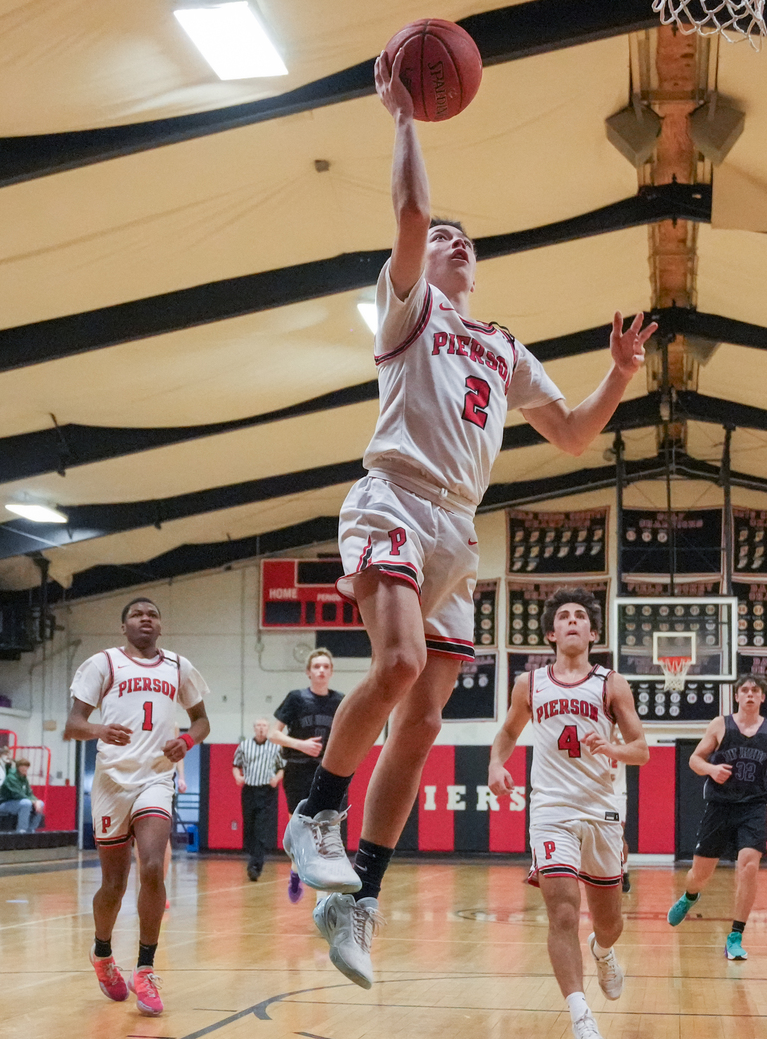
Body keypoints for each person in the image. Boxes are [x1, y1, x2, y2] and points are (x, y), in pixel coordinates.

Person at [281, 48, 657, 985]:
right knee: (398, 664)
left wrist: (617, 376)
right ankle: (316, 812)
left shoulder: (503, 346)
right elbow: (410, 212)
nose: (454, 242)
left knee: (426, 719)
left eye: (465, 242)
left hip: (459, 530)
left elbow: (570, 434)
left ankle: (357, 900)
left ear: (479, 269)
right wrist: (402, 113)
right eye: (445, 238)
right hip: (394, 494)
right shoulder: (409, 310)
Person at [488, 589, 648, 1039]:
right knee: (562, 913)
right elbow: (507, 733)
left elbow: (641, 751)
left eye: (581, 616)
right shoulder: (530, 684)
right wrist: (496, 764)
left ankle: (602, 950)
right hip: (551, 809)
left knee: (609, 924)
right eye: (564, 616)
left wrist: (613, 747)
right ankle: (581, 1016)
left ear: (593, 632)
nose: (573, 621)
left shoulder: (611, 684)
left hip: (601, 810)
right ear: (551, 632)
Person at [65, 597, 209, 1018]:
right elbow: (74, 724)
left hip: (156, 778)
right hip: (112, 781)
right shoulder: (104, 664)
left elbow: (202, 721)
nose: (145, 618)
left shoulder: (179, 667)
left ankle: (145, 968)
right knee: (114, 884)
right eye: (136, 614)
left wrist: (186, 741)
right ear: (124, 626)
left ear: (160, 626)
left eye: (153, 614)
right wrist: (99, 729)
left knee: (151, 867)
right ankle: (103, 952)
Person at [667, 674, 767, 961]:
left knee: (749, 867)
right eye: (745, 690)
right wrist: (711, 770)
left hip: (753, 807)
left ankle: (735, 936)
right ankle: (690, 896)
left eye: (755, 690)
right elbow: (695, 759)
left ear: (763, 697)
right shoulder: (720, 724)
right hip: (720, 806)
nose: (750, 694)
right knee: (700, 875)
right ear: (737, 696)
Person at [271, 647, 344, 902]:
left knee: (326, 831)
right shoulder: (296, 698)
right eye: (317, 667)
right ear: (308, 672)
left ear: (331, 672)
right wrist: (300, 744)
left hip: (328, 772)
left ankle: (323, 898)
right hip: (298, 770)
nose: (321, 670)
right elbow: (273, 733)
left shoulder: (340, 701)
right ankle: (295, 870)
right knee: (301, 832)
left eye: (326, 666)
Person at [233, 718, 284, 881]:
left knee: (261, 828)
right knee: (249, 827)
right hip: (249, 790)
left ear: (268, 728)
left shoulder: (275, 747)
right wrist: (237, 776)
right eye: (259, 726)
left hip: (267, 790)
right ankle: (253, 857)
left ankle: (256, 866)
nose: (261, 729)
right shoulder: (244, 746)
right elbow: (235, 764)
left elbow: (282, 767)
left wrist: (276, 778)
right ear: (254, 728)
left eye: (264, 726)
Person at [0, 757, 45, 832]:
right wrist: (33, 802)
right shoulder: (11, 778)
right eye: (23, 766)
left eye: (26, 767)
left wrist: (36, 801)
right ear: (18, 767)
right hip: (3, 804)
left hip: (17, 803)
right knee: (26, 803)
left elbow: (29, 793)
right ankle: (21, 830)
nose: (25, 769)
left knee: (41, 803)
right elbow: (17, 794)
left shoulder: (24, 778)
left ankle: (31, 829)